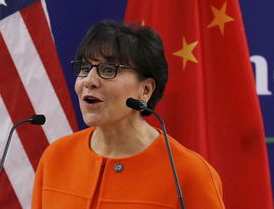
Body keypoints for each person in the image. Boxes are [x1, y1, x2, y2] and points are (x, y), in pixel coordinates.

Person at [32, 20, 225, 208]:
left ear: (146, 90)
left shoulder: (188, 173)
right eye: (84, 68)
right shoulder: (56, 157)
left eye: (108, 70)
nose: (89, 81)